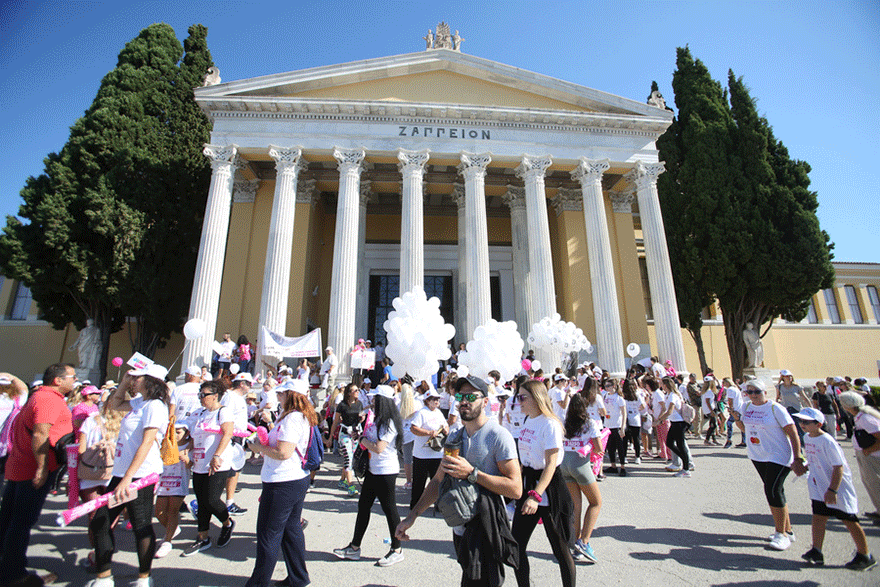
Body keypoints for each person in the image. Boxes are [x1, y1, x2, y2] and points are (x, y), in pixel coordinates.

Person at [396, 375, 521, 587]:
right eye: (461, 396)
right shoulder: (454, 437)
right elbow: (437, 481)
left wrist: (472, 473)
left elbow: (516, 489)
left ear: (485, 401)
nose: (464, 401)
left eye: (471, 396)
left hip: (487, 526)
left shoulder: (499, 436)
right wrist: (412, 516)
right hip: (460, 527)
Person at [86, 363, 170, 587]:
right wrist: (123, 382)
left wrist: (127, 479)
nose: (133, 380)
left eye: (137, 377)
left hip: (140, 475)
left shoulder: (155, 406)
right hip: (122, 473)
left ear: (150, 381)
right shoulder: (139, 402)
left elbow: (147, 443)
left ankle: (144, 577)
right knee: (101, 522)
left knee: (140, 523)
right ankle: (104, 577)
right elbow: (114, 404)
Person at [0, 364, 74, 587]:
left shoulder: (39, 395)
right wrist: (42, 468)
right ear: (58, 380)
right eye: (72, 377)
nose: (75, 380)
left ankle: (7, 566)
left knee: (9, 519)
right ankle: (14, 574)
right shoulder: (48, 399)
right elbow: (41, 433)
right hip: (32, 468)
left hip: (22, 465)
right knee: (21, 522)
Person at [245, 378, 315, 587]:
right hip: (291, 479)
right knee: (290, 530)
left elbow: (283, 452)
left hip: (283, 481)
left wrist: (258, 448)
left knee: (269, 534)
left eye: (281, 393)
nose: (278, 395)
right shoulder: (295, 416)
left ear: (291, 395)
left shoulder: (293, 418)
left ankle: (259, 583)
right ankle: (298, 578)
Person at [793, 407, 876, 570]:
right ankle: (816, 550)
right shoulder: (808, 437)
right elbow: (814, 459)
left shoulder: (828, 441)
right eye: (801, 421)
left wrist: (833, 490)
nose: (802, 424)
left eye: (806, 422)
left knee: (849, 520)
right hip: (819, 486)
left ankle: (865, 555)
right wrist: (803, 466)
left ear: (818, 424)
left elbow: (838, 467)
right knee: (818, 517)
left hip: (836, 487)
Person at [511, 379, 575, 587]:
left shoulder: (550, 424)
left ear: (536, 398)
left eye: (523, 397)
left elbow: (550, 465)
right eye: (518, 397)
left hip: (549, 488)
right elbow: (525, 456)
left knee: (560, 549)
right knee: (516, 545)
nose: (519, 401)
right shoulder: (528, 420)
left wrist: (535, 495)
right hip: (529, 483)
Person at [334, 385, 405, 567]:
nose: (371, 401)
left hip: (386, 471)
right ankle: (354, 547)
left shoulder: (389, 422)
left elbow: (379, 448)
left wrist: (362, 440)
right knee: (363, 506)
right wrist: (361, 435)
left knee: (389, 509)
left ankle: (397, 549)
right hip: (373, 470)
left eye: (375, 399)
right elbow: (371, 442)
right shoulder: (377, 419)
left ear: (383, 401)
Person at [732, 379, 806, 551]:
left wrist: (798, 457)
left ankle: (781, 534)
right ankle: (788, 529)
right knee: (776, 491)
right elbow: (745, 428)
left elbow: (793, 432)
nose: (753, 395)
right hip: (758, 455)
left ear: (765, 392)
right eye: (749, 392)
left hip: (779, 455)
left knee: (772, 490)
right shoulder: (746, 407)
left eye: (757, 391)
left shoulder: (775, 408)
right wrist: (737, 419)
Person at [182, 379, 235, 556]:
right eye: (200, 394)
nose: (201, 398)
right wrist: (187, 450)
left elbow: (227, 434)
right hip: (199, 463)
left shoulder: (223, 412)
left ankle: (227, 523)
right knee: (202, 501)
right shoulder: (200, 413)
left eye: (204, 395)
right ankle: (203, 537)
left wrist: (217, 455)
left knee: (212, 500)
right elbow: (194, 436)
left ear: (215, 396)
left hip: (217, 463)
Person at [561, 392, 602, 563]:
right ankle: (584, 542)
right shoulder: (590, 423)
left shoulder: (564, 421)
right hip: (580, 464)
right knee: (595, 502)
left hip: (564, 463)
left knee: (576, 506)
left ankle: (574, 544)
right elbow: (599, 447)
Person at [837, 392, 880, 524]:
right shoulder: (862, 416)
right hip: (867, 454)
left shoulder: (865, 418)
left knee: (874, 483)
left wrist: (869, 450)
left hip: (872, 456)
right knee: (870, 482)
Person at [154, 420, 190, 558]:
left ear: (186, 433)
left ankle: (167, 542)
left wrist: (186, 459)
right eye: (172, 431)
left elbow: (191, 464)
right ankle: (173, 529)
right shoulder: (165, 444)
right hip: (163, 483)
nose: (174, 434)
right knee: (159, 512)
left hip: (179, 483)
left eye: (178, 432)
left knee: (173, 511)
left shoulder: (189, 446)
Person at [409, 387, 448, 509]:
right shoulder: (422, 413)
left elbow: (445, 424)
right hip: (422, 454)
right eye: (433, 399)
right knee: (419, 482)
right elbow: (413, 428)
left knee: (437, 480)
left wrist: (446, 429)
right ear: (427, 401)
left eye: (438, 399)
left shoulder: (438, 412)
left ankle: (439, 505)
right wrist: (428, 433)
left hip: (437, 452)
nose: (436, 401)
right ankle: (415, 505)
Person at [223, 373, 251, 516]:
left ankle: (229, 502)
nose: (250, 387)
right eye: (249, 384)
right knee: (226, 472)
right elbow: (225, 417)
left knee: (234, 471)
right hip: (231, 439)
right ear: (242, 384)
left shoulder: (238, 398)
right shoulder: (230, 397)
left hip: (239, 439)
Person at [330, 383, 364, 496]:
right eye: (355, 390)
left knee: (350, 458)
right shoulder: (342, 405)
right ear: (349, 393)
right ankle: (351, 486)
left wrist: (362, 418)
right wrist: (330, 437)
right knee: (348, 459)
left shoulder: (359, 404)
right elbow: (335, 421)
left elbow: (361, 416)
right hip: (345, 434)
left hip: (355, 434)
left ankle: (342, 480)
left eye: (358, 390)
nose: (357, 392)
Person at [658, 377, 691, 476]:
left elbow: (670, 411)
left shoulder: (673, 396)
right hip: (674, 422)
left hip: (679, 423)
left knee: (681, 445)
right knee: (669, 443)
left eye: (661, 383)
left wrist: (660, 420)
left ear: (665, 385)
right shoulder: (668, 395)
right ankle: (684, 460)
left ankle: (686, 469)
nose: (660, 385)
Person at [602, 378, 627, 476]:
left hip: (617, 425)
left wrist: (622, 427)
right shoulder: (605, 396)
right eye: (605, 386)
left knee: (620, 447)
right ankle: (613, 466)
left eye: (608, 386)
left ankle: (623, 467)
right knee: (610, 447)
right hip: (607, 425)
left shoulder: (619, 398)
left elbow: (624, 413)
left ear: (614, 386)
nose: (606, 388)